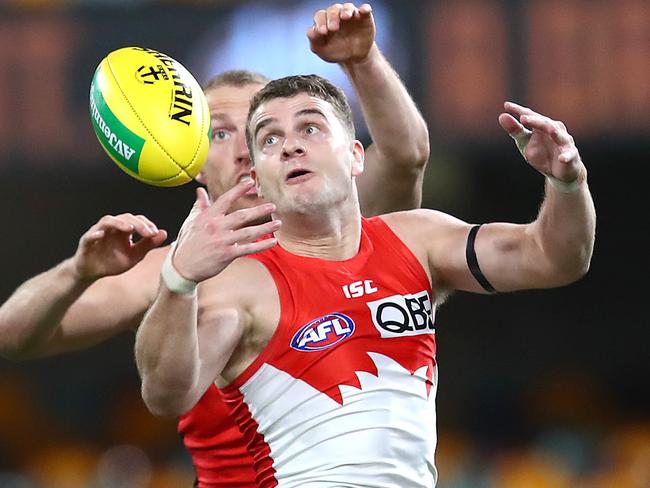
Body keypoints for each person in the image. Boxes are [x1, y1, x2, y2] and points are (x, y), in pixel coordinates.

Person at [0, 3, 429, 486]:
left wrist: (362, 59)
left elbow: (406, 155)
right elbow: (13, 335)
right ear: (194, 164)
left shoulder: (345, 227)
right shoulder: (174, 270)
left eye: (258, 129)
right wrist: (77, 271)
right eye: (221, 132)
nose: (246, 148)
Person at [134, 74, 596, 487]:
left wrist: (568, 183)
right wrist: (178, 279)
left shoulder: (418, 239)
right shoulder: (241, 283)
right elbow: (168, 393)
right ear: (259, 176)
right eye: (270, 140)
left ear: (356, 156)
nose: (290, 146)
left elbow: (554, 257)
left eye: (309, 128)